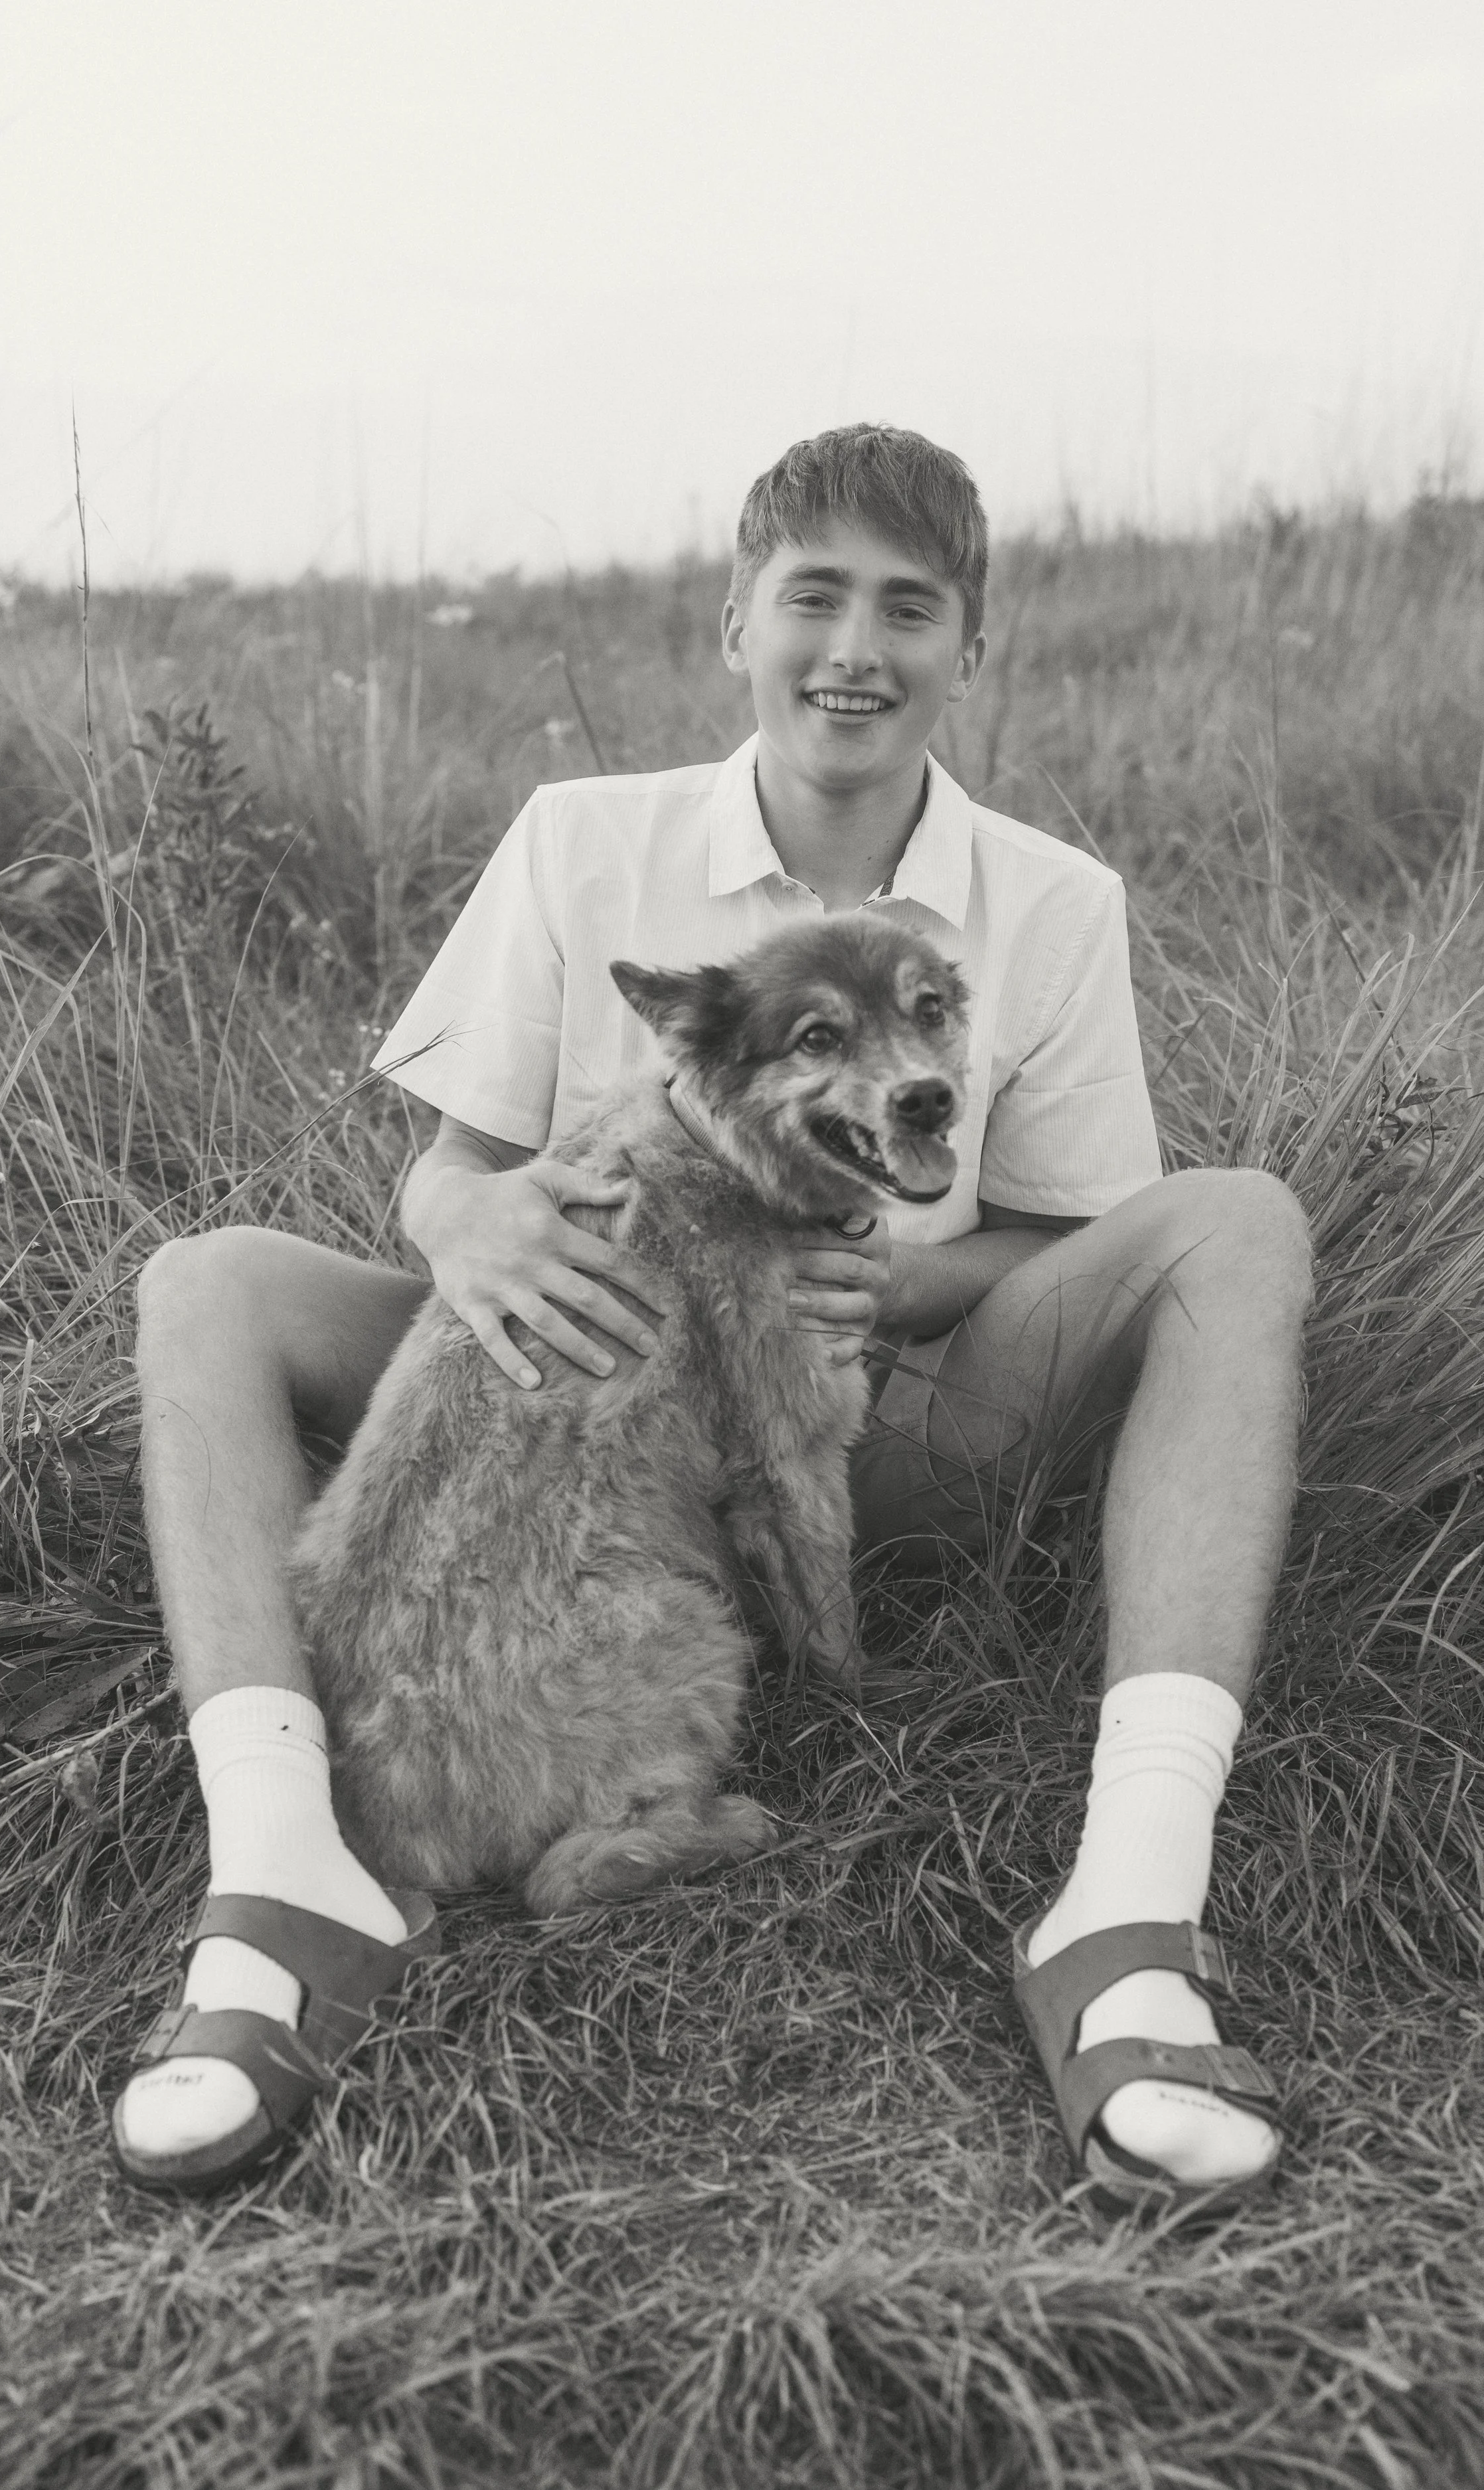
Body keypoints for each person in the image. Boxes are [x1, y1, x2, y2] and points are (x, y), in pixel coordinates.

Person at [112, 424, 1311, 2208]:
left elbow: (1073, 1237)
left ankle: (1128, 1902)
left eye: (908, 606)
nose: (855, 643)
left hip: (889, 1400)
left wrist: (911, 1277)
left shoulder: (1055, 904)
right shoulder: (578, 841)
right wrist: (481, 1225)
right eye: (811, 594)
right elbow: (440, 1174)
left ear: (964, 647)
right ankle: (286, 1868)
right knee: (200, 1279)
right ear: (734, 621)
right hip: (565, 1389)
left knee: (1236, 1227)